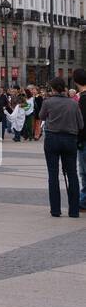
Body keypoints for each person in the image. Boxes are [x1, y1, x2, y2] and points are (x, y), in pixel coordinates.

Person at [40, 75, 82, 218]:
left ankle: (56, 210)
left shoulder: (48, 102)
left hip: (52, 138)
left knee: (53, 174)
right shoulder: (73, 103)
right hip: (70, 139)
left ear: (52, 89)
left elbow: (42, 116)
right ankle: (74, 210)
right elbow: (81, 124)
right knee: (72, 174)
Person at [73, 68, 86, 210]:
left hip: (84, 141)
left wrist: (78, 140)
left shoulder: (82, 99)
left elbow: (82, 123)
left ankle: (83, 201)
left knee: (84, 172)